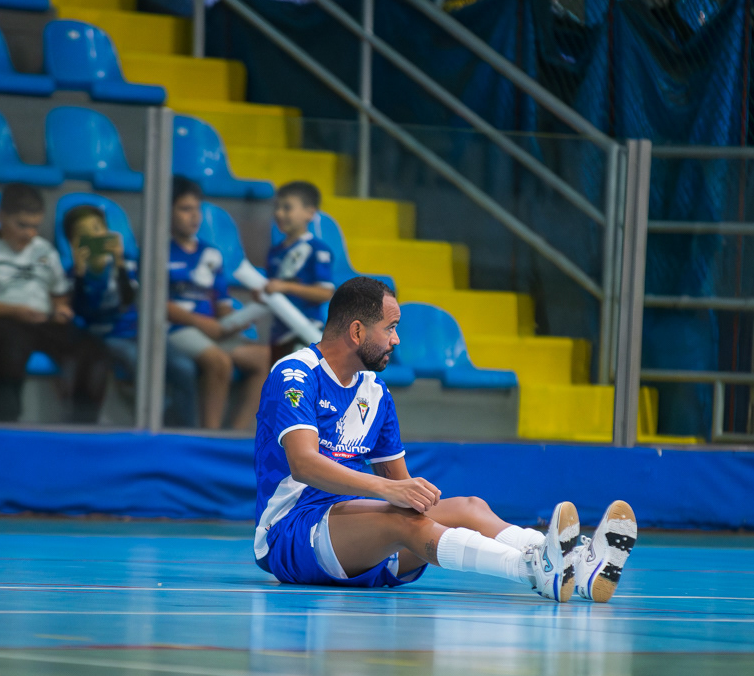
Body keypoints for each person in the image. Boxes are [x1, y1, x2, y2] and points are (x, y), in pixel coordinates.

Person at [253, 276, 638, 601]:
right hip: (293, 532)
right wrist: (387, 491)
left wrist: (406, 494)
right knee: (402, 522)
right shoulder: (296, 375)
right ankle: (534, 570)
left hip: (360, 531)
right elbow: (303, 464)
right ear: (357, 331)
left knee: (468, 507)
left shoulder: (375, 391)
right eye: (390, 328)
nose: (396, 340)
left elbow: (403, 490)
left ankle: (578, 568)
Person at [0, 183, 111, 423]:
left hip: (40, 321)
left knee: (93, 350)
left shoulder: (44, 250)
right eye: (22, 225)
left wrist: (60, 308)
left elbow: (59, 293)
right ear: (0, 217)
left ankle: (84, 422)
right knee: (12, 345)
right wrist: (14, 311)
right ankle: (3, 424)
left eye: (35, 226)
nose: (29, 234)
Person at [163, 178, 269, 430]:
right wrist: (202, 323)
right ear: (167, 211)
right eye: (185, 209)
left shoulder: (211, 253)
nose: (194, 216)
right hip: (176, 329)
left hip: (211, 330)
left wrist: (240, 319)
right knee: (219, 361)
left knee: (267, 359)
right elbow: (157, 303)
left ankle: (234, 435)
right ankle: (210, 434)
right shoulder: (159, 250)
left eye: (197, 209)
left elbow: (222, 305)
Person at [265, 181, 335, 345]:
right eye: (276, 207)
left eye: (287, 208)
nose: (279, 213)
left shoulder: (318, 250)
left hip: (305, 330)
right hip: (278, 332)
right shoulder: (274, 252)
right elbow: (272, 287)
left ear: (309, 213)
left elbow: (325, 292)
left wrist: (286, 287)